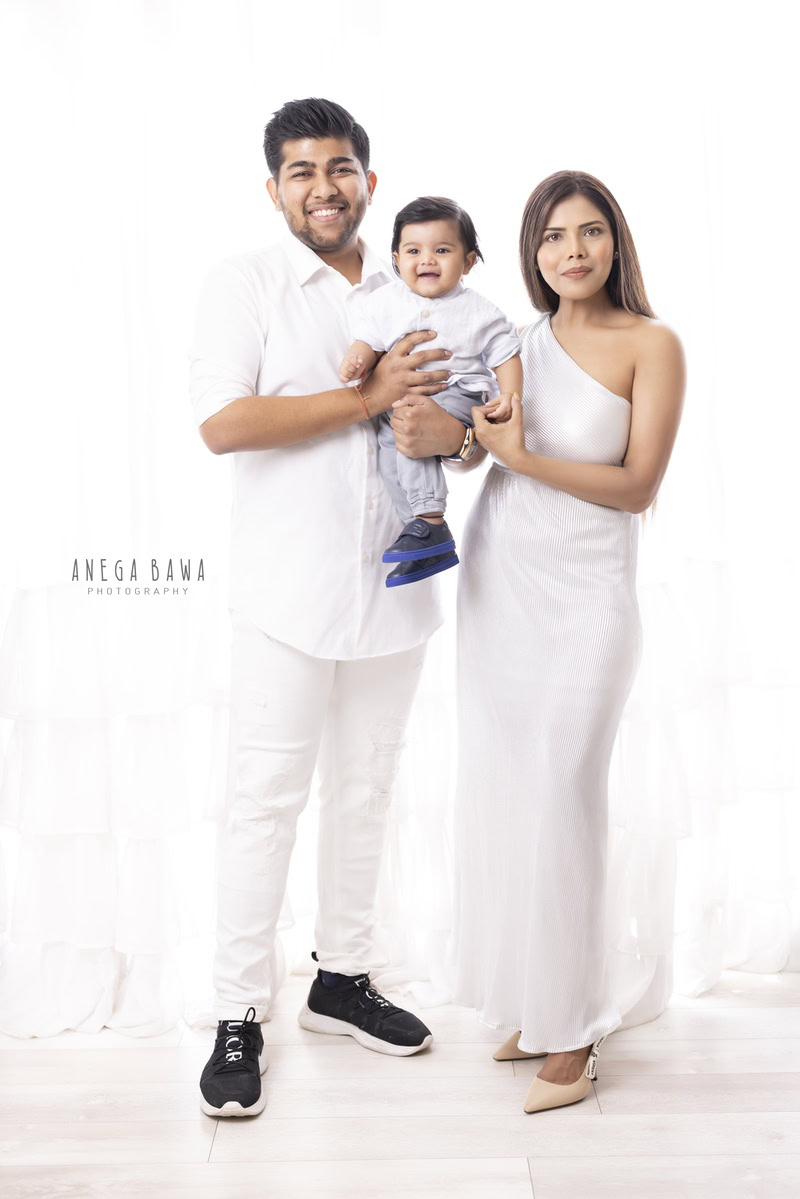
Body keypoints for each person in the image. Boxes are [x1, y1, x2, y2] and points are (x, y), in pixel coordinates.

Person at [188, 97, 466, 1119]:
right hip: (287, 596)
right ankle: (236, 1014)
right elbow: (223, 423)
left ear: (369, 180)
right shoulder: (248, 285)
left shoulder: (415, 285)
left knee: (367, 790)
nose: (324, 186)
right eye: (302, 171)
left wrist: (448, 430)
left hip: (394, 589)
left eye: (340, 167)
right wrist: (362, 397)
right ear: (275, 190)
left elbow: (456, 432)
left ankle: (340, 978)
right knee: (262, 804)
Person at [451, 171, 686, 1114]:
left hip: (589, 597)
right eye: (553, 236)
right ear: (532, 251)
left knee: (563, 795)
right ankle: (539, 1002)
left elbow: (637, 486)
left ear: (615, 243)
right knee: (513, 795)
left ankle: (578, 1030)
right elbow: (476, 446)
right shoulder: (514, 341)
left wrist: (515, 458)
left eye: (590, 233)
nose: (572, 252)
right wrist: (458, 437)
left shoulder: (654, 344)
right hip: (501, 584)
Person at [339, 196, 522, 587]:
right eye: (414, 251)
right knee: (388, 451)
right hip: (400, 403)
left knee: (408, 431)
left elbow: (506, 353)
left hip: (459, 394)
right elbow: (369, 340)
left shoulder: (479, 311)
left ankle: (431, 519)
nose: (427, 260)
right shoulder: (385, 302)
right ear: (396, 259)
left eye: (442, 250)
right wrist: (357, 359)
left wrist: (510, 396)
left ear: (468, 262)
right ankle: (420, 533)